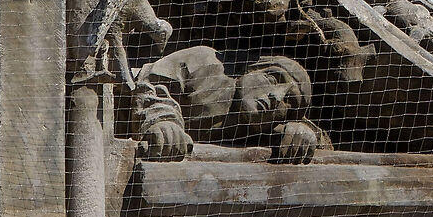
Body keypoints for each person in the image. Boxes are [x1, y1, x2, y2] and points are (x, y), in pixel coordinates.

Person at [130, 47, 326, 162]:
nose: (276, 97)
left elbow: (321, 142)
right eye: (273, 80)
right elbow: (152, 83)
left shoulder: (263, 128)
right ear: (251, 70)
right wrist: (163, 120)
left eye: (289, 102)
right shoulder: (206, 62)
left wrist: (303, 132)